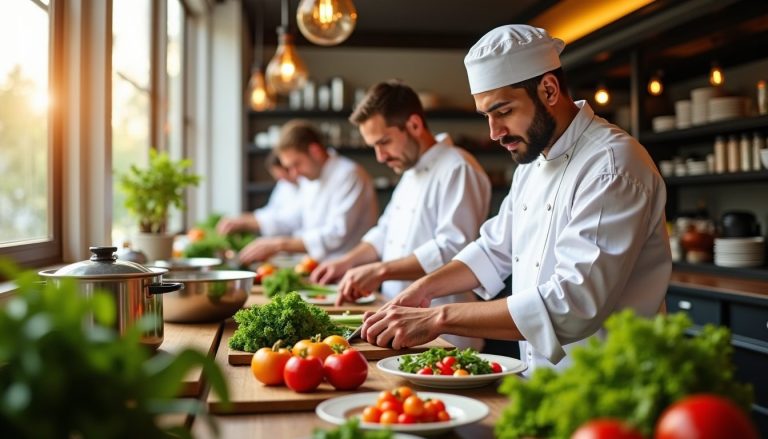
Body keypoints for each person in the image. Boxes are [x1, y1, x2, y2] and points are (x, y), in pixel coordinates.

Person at [360, 25, 671, 375]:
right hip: (537, 378)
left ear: (549, 90)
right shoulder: (533, 159)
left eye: (503, 111)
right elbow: (495, 248)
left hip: (606, 384)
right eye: (487, 116)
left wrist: (437, 317)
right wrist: (422, 290)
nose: (494, 132)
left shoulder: (611, 165)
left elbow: (574, 302)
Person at [310, 80, 492, 349]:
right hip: (396, 319)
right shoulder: (410, 171)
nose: (380, 156)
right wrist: (346, 263)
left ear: (415, 125)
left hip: (445, 334)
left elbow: (453, 249)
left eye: (384, 142)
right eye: (374, 146)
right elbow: (384, 232)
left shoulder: (458, 168)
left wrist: (380, 271)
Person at [229, 119, 378, 265]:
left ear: (315, 151)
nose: (294, 174)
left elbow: (336, 234)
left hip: (350, 271)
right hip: (317, 267)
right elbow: (293, 218)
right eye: (289, 167)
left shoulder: (348, 174)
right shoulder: (309, 179)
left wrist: (279, 244)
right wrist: (249, 223)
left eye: (296, 164)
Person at [216, 151, 300, 238]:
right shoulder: (284, 184)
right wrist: (247, 218)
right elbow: (270, 210)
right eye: (278, 177)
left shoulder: (306, 186)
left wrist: (247, 223)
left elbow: (289, 221)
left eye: (283, 176)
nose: (281, 180)